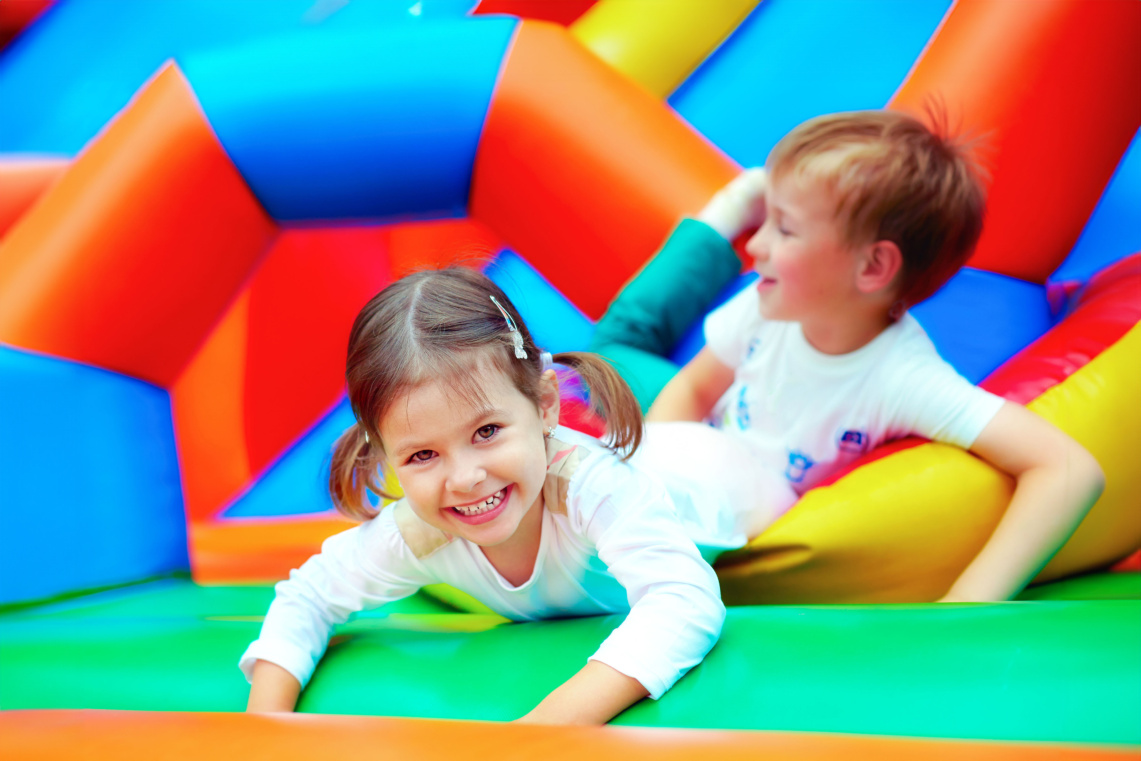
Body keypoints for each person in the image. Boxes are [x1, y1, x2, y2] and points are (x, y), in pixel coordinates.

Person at [591, 109, 1105, 603]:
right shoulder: (768, 303)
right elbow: (695, 387)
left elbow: (1069, 468)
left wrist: (968, 601)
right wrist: (649, 467)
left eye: (784, 229)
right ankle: (728, 214)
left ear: (873, 267)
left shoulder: (902, 379)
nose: (760, 246)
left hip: (744, 488)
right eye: (767, 222)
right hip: (712, 440)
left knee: (613, 351)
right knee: (610, 350)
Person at [241, 267, 731, 724]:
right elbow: (308, 598)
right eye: (423, 456)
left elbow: (684, 600)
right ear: (387, 458)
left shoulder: (591, 487)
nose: (465, 479)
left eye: (487, 431)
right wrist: (267, 733)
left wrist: (537, 732)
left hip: (713, 468)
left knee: (642, 351)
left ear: (545, 405)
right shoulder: (418, 531)